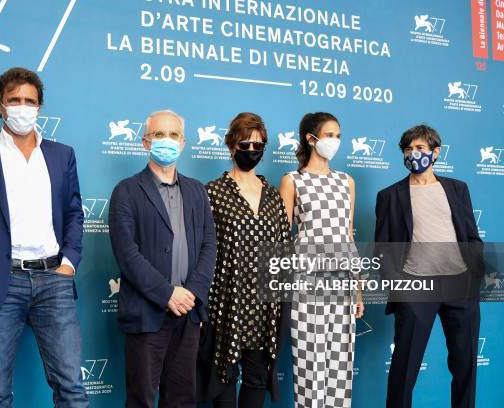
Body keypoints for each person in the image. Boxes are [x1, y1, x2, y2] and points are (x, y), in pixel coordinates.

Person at [0, 67, 88, 407]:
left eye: (30, 101)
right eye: (14, 100)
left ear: (39, 107)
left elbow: (74, 213)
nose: (22, 107)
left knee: (72, 387)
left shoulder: (61, 154)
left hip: (55, 280)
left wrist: (68, 263)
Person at [108, 110, 216, 408]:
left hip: (188, 314)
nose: (166, 141)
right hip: (147, 313)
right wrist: (166, 293)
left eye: (173, 135)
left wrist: (192, 293)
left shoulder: (196, 190)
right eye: (158, 135)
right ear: (145, 143)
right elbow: (127, 254)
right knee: (142, 399)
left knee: (182, 399)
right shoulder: (126, 191)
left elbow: (209, 245)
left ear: (183, 143)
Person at [375, 124, 483, 408]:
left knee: (465, 367)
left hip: (459, 286)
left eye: (420, 148)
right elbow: (383, 249)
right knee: (404, 369)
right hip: (416, 288)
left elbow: (471, 236)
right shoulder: (390, 196)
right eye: (408, 150)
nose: (413, 154)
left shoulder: (458, 189)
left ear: (435, 153)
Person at [198, 112, 291, 408]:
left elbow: (284, 250)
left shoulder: (274, 196)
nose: (252, 151)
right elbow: (202, 249)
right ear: (231, 145)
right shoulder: (212, 192)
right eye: (245, 144)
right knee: (222, 376)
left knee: (256, 377)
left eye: (258, 144)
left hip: (265, 304)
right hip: (224, 300)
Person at [279, 112, 364, 408]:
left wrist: (357, 289)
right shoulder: (292, 180)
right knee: (309, 368)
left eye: (338, 136)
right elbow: (282, 242)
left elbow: (348, 237)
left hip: (341, 285)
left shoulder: (346, 182)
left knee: (341, 367)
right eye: (330, 135)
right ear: (311, 138)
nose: (335, 141)